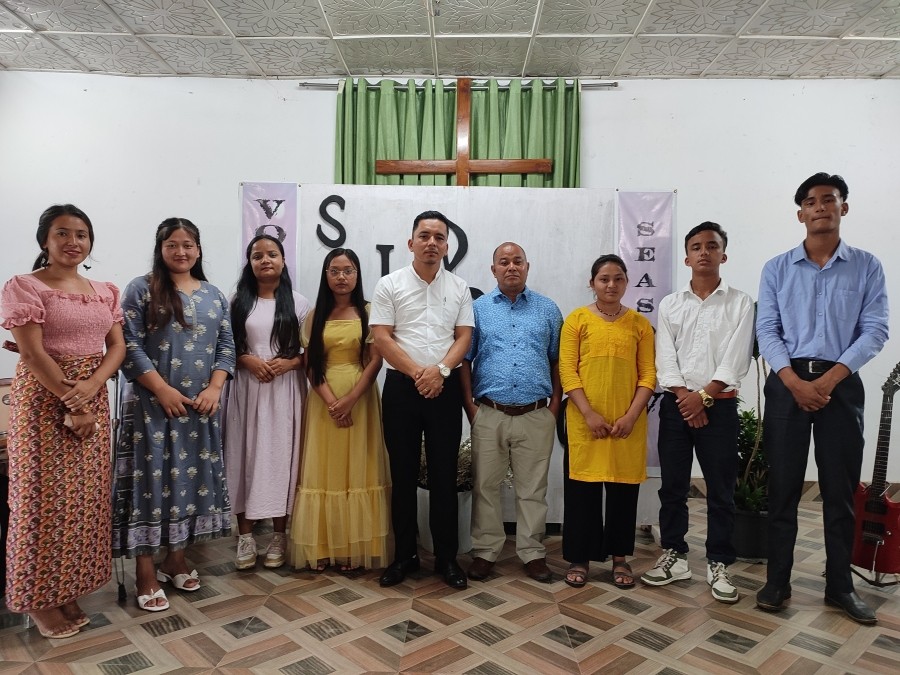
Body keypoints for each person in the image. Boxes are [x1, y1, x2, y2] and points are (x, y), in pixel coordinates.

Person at [756, 173, 888, 624]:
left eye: (828, 200)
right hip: (788, 383)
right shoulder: (776, 268)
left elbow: (875, 330)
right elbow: (767, 330)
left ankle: (840, 588)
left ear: (843, 208)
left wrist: (829, 381)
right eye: (810, 202)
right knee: (783, 489)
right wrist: (794, 382)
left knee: (840, 492)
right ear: (800, 214)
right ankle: (777, 581)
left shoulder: (867, 266)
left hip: (841, 385)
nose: (820, 208)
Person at [0, 204, 125, 638]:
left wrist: (93, 386)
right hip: (44, 400)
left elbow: (117, 348)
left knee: (83, 504)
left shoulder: (105, 290)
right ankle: (37, 600)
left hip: (93, 394)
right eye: (62, 234)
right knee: (41, 504)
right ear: (44, 241)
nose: (73, 242)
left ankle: (66, 588)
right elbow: (33, 354)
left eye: (82, 234)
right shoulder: (25, 286)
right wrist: (74, 400)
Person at [113, 218, 235, 612]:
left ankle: (176, 559)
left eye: (188, 245)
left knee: (187, 482)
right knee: (149, 485)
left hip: (199, 410)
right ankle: (145, 573)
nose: (181, 252)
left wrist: (215, 388)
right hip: (152, 405)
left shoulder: (215, 295)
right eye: (172, 245)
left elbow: (226, 346)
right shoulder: (141, 288)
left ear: (199, 250)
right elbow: (127, 344)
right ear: (160, 248)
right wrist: (162, 390)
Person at [641, 222, 754, 603]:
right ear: (686, 257)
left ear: (724, 254)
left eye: (712, 246)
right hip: (676, 406)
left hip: (719, 409)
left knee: (720, 490)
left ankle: (719, 562)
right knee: (672, 487)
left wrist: (703, 398)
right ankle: (674, 555)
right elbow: (665, 357)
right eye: (696, 246)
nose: (703, 252)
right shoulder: (671, 303)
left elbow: (737, 357)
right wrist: (684, 397)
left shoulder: (740, 303)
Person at [371, 211, 474, 590]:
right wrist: (419, 373)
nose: (432, 242)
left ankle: (447, 558)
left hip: (443, 390)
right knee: (402, 474)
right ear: (410, 242)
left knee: (445, 476)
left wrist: (440, 371)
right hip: (402, 388)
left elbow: (463, 337)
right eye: (425, 235)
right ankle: (404, 556)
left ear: (448, 246)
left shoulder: (460, 287)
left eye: (439, 237)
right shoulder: (389, 284)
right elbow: (382, 337)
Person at [460, 242, 563, 583]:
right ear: (493, 270)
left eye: (517, 261)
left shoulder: (548, 310)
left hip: (537, 414)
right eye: (503, 262)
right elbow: (465, 360)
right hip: (489, 413)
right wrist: (471, 408)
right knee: (485, 487)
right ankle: (486, 550)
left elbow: (556, 361)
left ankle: (532, 552)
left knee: (532, 489)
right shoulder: (477, 310)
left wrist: (554, 407)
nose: (511, 267)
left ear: (528, 266)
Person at [290, 248, 391, 573]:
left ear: (357, 275)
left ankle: (354, 548)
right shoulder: (314, 315)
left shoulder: (369, 312)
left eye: (348, 270)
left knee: (358, 467)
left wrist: (349, 400)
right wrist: (332, 400)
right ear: (326, 275)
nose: (342, 277)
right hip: (323, 400)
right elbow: (309, 365)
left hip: (360, 398)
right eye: (335, 271)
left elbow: (376, 360)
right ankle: (320, 547)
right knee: (325, 468)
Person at [559, 254, 655, 589]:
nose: (611, 285)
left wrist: (631, 415)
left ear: (626, 282)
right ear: (592, 283)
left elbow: (649, 375)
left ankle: (619, 558)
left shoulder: (640, 325)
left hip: (627, 424)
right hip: (585, 422)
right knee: (581, 492)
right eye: (603, 279)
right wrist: (588, 413)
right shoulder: (577, 320)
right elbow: (568, 371)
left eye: (617, 278)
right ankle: (579, 557)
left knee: (622, 492)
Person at [224, 235, 309, 570]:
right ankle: (245, 537)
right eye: (257, 256)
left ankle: (279, 534)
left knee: (281, 457)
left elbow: (312, 352)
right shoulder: (237, 302)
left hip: (285, 390)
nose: (265, 260)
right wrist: (247, 360)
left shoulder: (299, 303)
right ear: (250, 263)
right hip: (247, 389)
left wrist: (290, 363)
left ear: (283, 261)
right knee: (243, 456)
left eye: (272, 254)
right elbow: (226, 346)